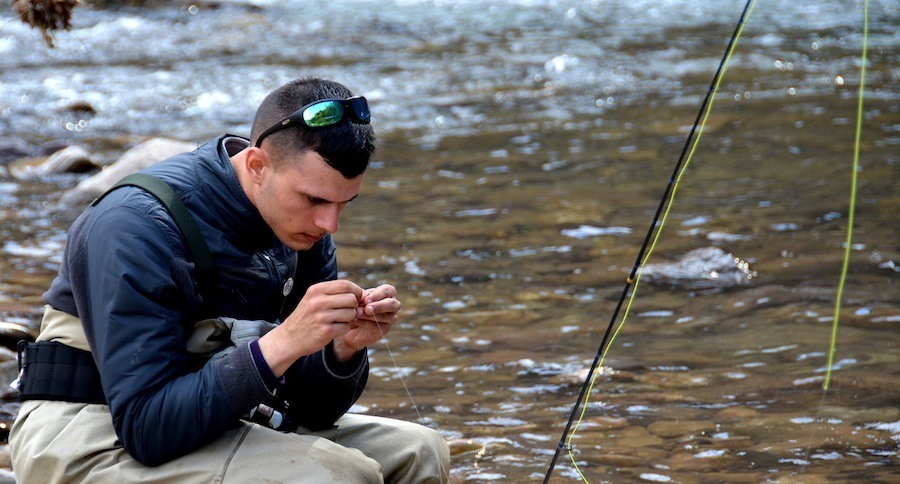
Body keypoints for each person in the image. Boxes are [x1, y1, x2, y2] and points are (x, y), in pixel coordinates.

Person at [10, 77, 450, 483]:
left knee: (420, 453)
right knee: (335, 476)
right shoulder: (136, 225)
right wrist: (282, 344)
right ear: (257, 164)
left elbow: (312, 410)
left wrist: (341, 351)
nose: (329, 222)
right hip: (86, 432)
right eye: (314, 199)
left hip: (209, 417)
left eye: (344, 203)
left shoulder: (301, 228)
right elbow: (147, 428)